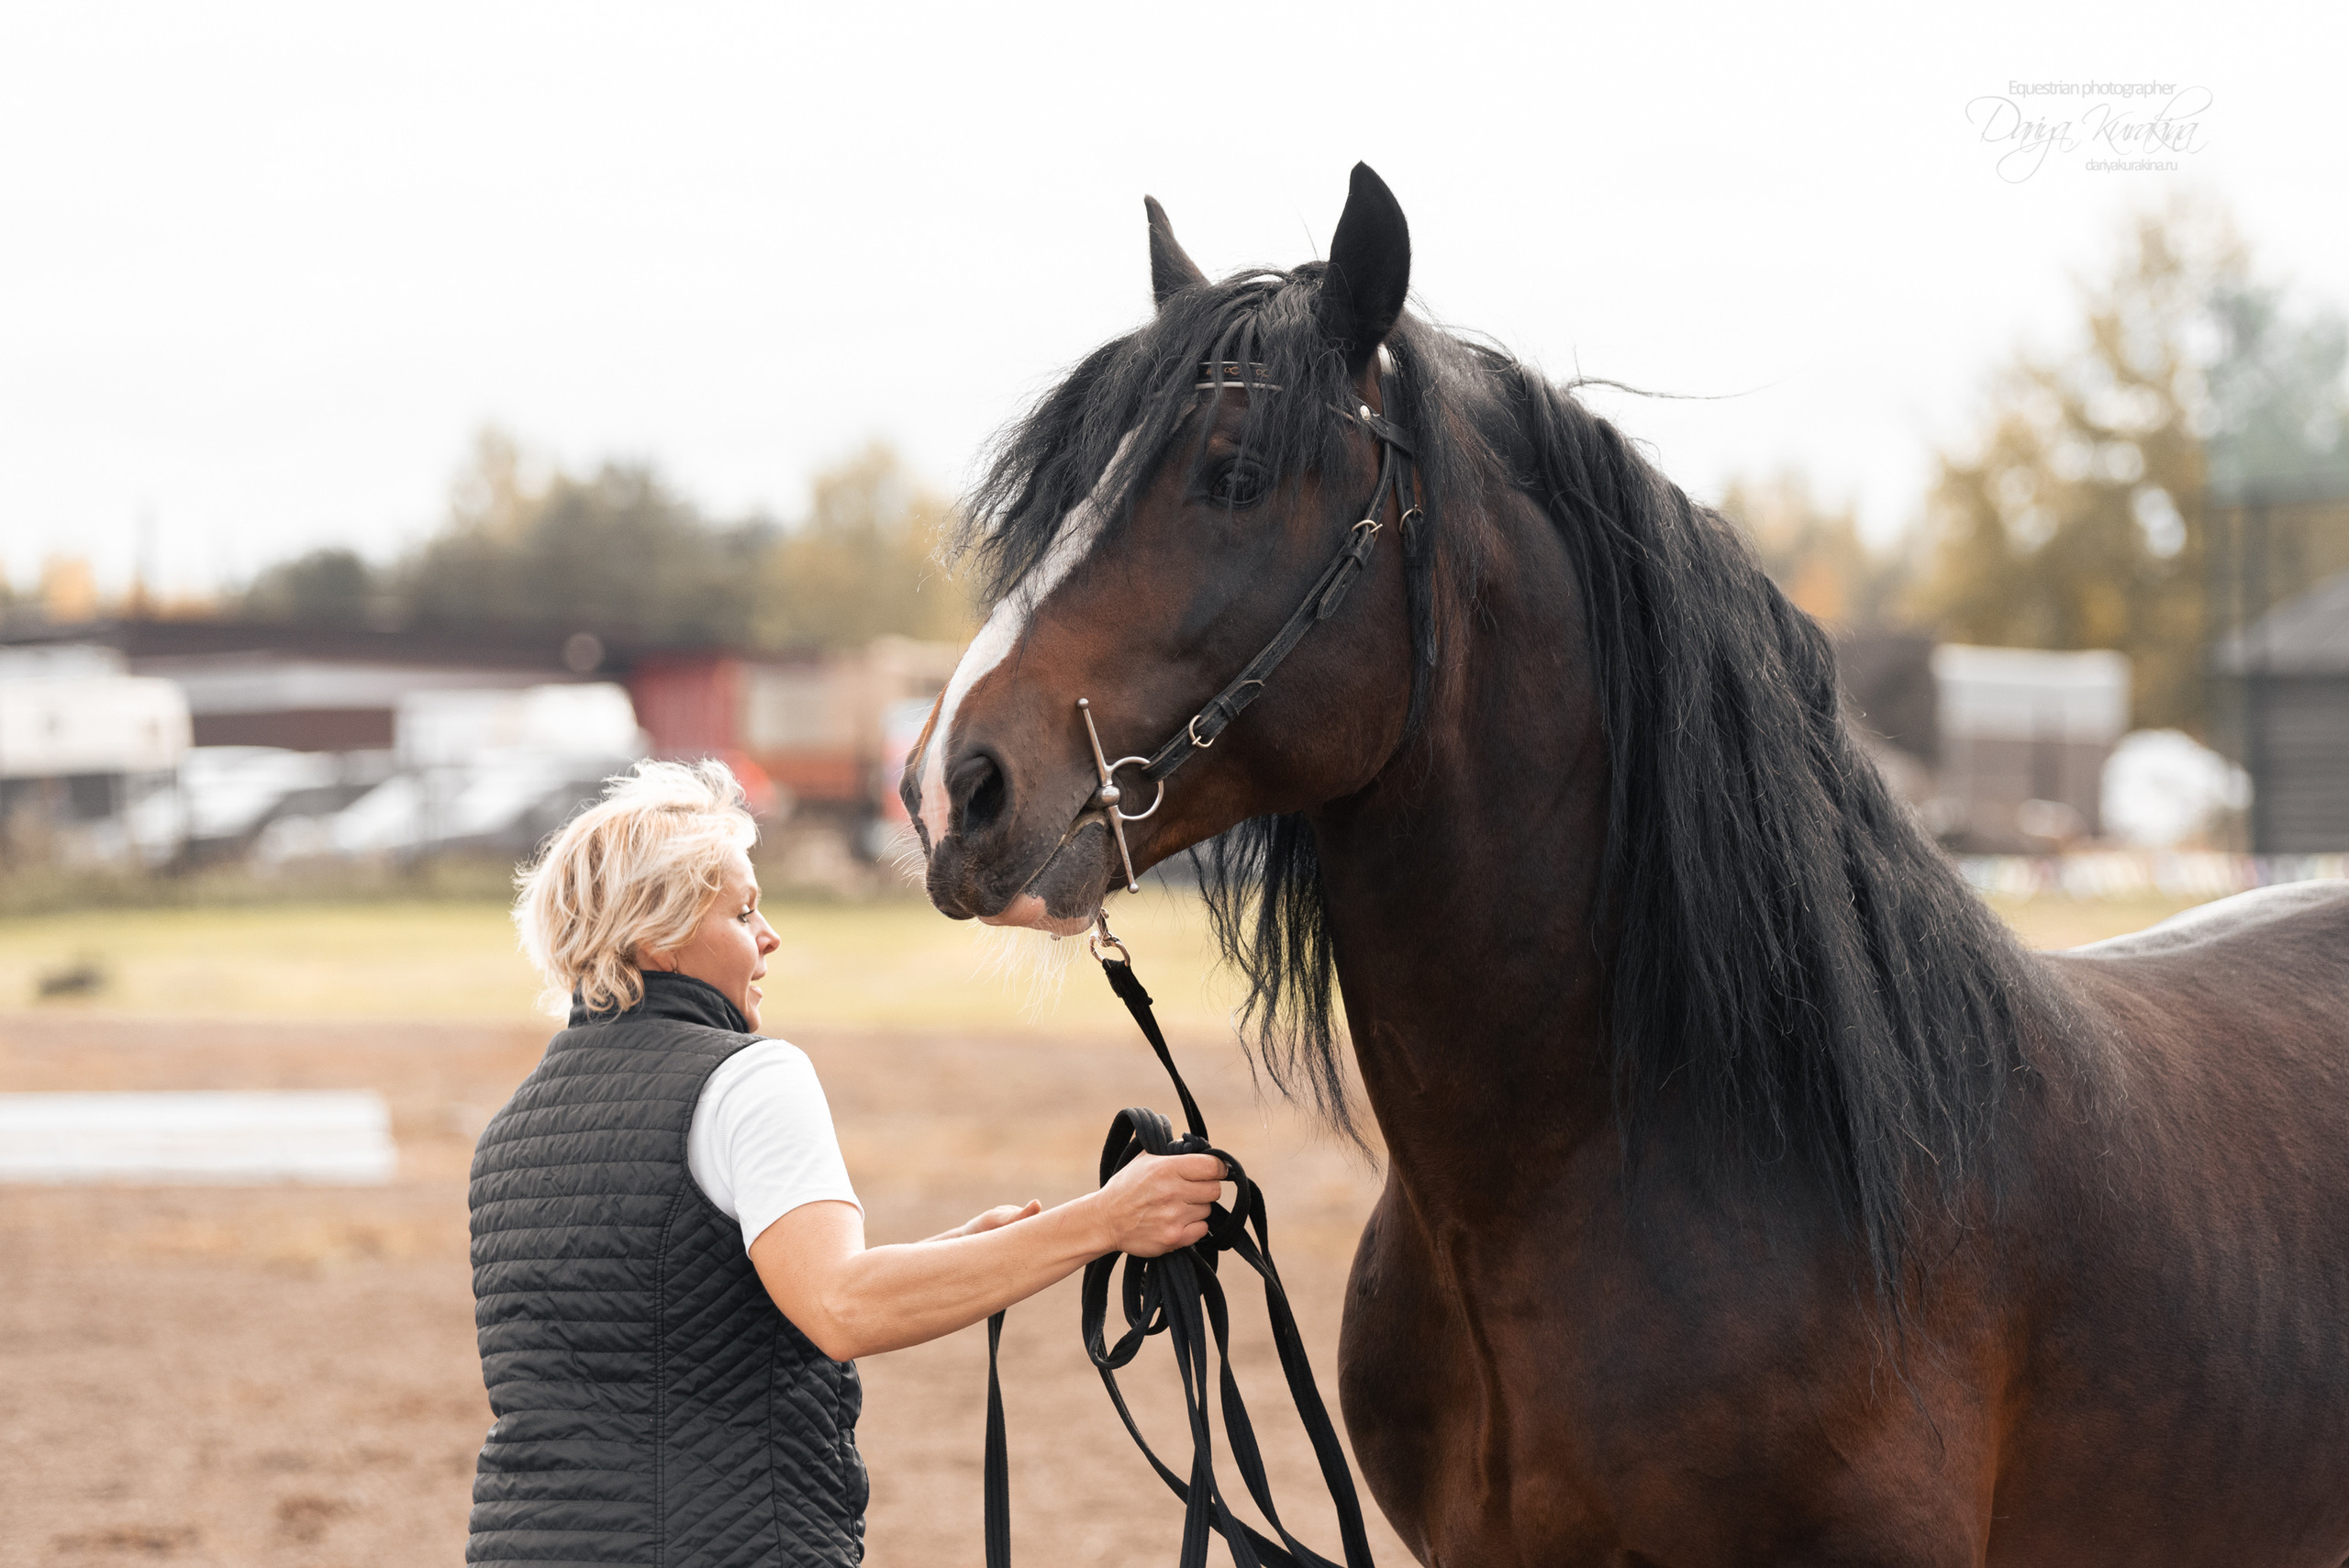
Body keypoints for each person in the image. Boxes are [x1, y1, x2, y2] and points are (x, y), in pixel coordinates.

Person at [467, 759, 1224, 1566]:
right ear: (656, 934)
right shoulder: (748, 1076)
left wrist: (957, 1252)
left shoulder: (508, 1134)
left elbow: (697, 1318)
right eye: (743, 911)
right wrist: (1108, 1218)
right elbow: (841, 1308)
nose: (769, 936)